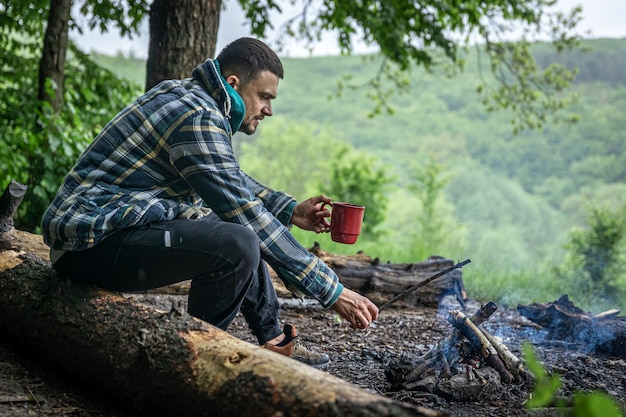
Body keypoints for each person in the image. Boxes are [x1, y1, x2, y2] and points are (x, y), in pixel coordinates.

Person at [41, 37, 379, 369]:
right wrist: (332, 290)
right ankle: (187, 361)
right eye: (263, 97)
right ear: (233, 83)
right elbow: (245, 212)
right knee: (240, 239)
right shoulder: (197, 116)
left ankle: (274, 339)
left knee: (236, 229)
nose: (269, 110)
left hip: (98, 237)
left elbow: (230, 182)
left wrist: (290, 209)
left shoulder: (192, 99)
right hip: (88, 245)